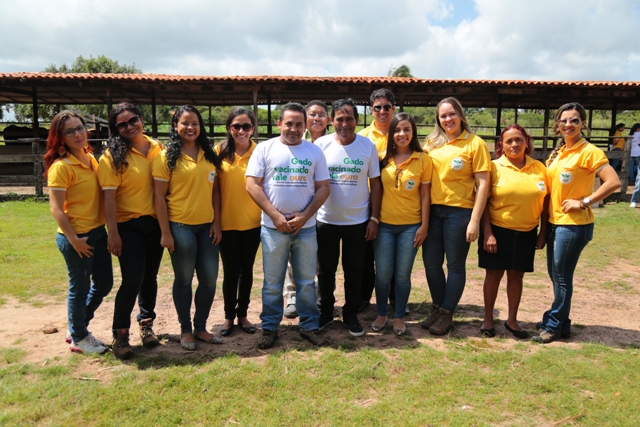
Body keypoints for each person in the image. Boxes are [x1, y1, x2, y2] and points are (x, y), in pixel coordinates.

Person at [532, 102, 620, 343]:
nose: (568, 125)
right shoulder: (558, 152)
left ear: (583, 124)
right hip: (555, 223)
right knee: (556, 274)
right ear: (557, 124)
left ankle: (553, 324)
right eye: (563, 121)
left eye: (574, 120)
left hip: (573, 225)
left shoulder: (589, 151)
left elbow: (613, 182)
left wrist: (584, 201)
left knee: (561, 277)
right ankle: (562, 323)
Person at [246, 102, 330, 349]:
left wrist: (304, 216)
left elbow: (324, 187)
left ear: (305, 126)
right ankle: (270, 327)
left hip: (305, 229)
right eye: (289, 123)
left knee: (306, 281)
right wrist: (275, 216)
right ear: (279, 123)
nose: (294, 129)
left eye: (299, 124)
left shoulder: (314, 152)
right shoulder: (265, 148)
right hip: (274, 229)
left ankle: (309, 325)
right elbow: (252, 184)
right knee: (272, 282)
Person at [152, 105, 223, 351]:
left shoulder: (209, 154)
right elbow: (159, 197)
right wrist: (165, 232)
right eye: (185, 123)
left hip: (207, 228)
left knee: (209, 279)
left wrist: (216, 222)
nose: (190, 127)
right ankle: (185, 329)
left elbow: (215, 191)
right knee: (184, 279)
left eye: (195, 123)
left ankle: (201, 327)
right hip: (179, 225)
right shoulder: (166, 157)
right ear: (175, 126)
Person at [98, 103, 164, 359]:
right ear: (115, 130)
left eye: (132, 120)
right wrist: (113, 233)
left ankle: (146, 326)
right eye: (122, 124)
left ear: (141, 118)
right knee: (132, 279)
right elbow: (109, 200)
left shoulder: (158, 148)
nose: (129, 126)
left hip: (155, 223)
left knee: (150, 278)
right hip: (128, 225)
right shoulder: (111, 157)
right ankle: (120, 335)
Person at [44, 110, 113, 354]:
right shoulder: (61, 167)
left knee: (104, 283)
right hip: (77, 237)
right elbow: (56, 210)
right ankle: (80, 337)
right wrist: (75, 241)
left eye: (80, 128)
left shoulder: (90, 158)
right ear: (60, 138)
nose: (78, 134)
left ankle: (77, 325)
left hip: (97, 232)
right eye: (70, 131)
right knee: (80, 288)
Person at [421, 97, 491, 336]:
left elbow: (483, 185)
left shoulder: (475, 144)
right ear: (438, 119)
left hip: (459, 212)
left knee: (454, 265)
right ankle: (437, 307)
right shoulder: (431, 143)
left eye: (452, 114)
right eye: (443, 116)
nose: (448, 119)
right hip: (432, 211)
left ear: (461, 115)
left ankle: (447, 312)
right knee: (431, 264)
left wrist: (474, 220)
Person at [315, 98, 381, 337]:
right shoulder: (320, 144)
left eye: (349, 118)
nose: (345, 124)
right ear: (332, 121)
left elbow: (375, 183)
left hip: (358, 222)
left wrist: (374, 219)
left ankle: (350, 312)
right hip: (326, 221)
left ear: (356, 120)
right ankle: (325, 311)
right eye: (340, 119)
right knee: (326, 271)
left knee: (355, 271)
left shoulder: (367, 146)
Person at [478, 124, 549, 339]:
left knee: (517, 276)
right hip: (498, 232)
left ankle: (512, 320)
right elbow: (483, 203)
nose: (514, 144)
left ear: (527, 142)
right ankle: (488, 319)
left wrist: (543, 232)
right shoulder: (493, 167)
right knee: (493, 275)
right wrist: (488, 233)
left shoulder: (540, 168)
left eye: (519, 139)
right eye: (509, 141)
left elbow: (546, 204)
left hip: (527, 232)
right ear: (501, 144)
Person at [371, 113, 431, 336]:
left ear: (413, 132)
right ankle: (381, 313)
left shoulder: (423, 159)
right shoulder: (382, 157)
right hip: (384, 226)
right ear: (391, 133)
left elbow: (425, 196)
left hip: (410, 227)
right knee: (383, 274)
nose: (402, 134)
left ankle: (398, 317)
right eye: (397, 130)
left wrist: (424, 226)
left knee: (403, 275)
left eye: (406, 129)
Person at [214, 107, 262, 337]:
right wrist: (215, 222)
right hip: (227, 224)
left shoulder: (261, 152)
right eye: (236, 126)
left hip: (253, 223)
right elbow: (213, 190)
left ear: (253, 129)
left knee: (247, 271)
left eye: (246, 126)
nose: (241, 130)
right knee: (231, 272)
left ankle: (243, 314)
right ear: (229, 128)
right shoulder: (219, 152)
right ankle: (228, 317)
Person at [283, 100, 329, 319]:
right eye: (312, 114)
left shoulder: (332, 142)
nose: (316, 118)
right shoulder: (294, 143)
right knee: (293, 256)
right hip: (299, 211)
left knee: (317, 259)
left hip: (325, 211)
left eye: (321, 115)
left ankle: (316, 297)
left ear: (328, 119)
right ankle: (292, 296)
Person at [358, 88, 398, 311]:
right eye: (377, 107)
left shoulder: (401, 133)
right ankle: (364, 297)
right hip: (366, 204)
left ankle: (393, 296)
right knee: (365, 257)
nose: (382, 111)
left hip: (394, 204)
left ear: (393, 108)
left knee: (390, 256)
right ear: (371, 110)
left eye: (386, 107)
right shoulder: (363, 137)